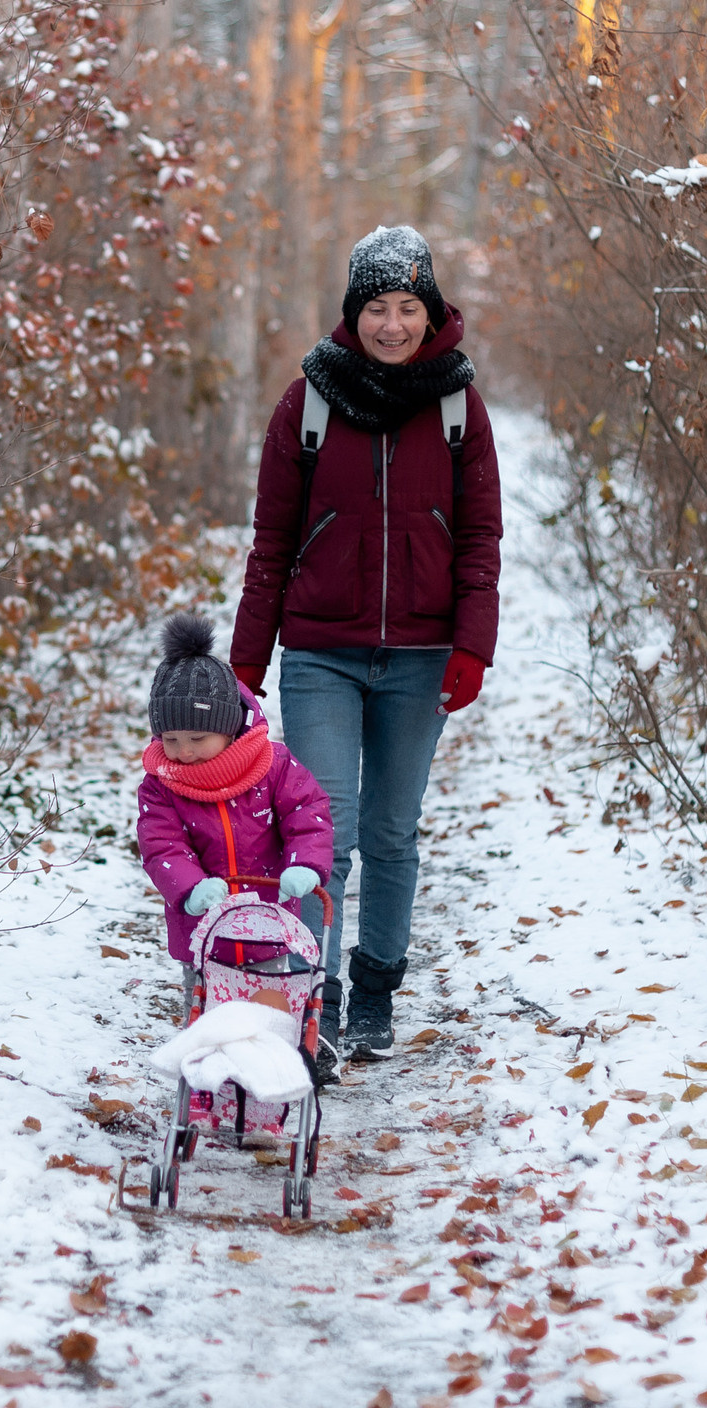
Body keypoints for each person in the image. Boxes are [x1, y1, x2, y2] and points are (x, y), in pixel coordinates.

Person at [230, 224, 502, 1060]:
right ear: (354, 312)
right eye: (377, 307)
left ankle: (377, 989)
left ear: (431, 311)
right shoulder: (308, 399)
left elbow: (480, 537)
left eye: (407, 307)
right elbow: (272, 538)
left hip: (422, 659)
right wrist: (248, 657)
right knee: (324, 833)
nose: (392, 324)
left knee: (391, 831)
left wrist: (472, 645)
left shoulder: (457, 404)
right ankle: (319, 992)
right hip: (322, 654)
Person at [134, 614, 342, 1085]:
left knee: (267, 1018)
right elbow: (161, 842)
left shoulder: (271, 767)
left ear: (228, 728)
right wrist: (189, 888)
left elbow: (307, 813)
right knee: (207, 1015)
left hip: (269, 925)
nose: (183, 753)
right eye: (171, 740)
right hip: (202, 930)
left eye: (197, 739)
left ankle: (264, 1095)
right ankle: (209, 1093)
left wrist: (305, 866)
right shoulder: (161, 785)